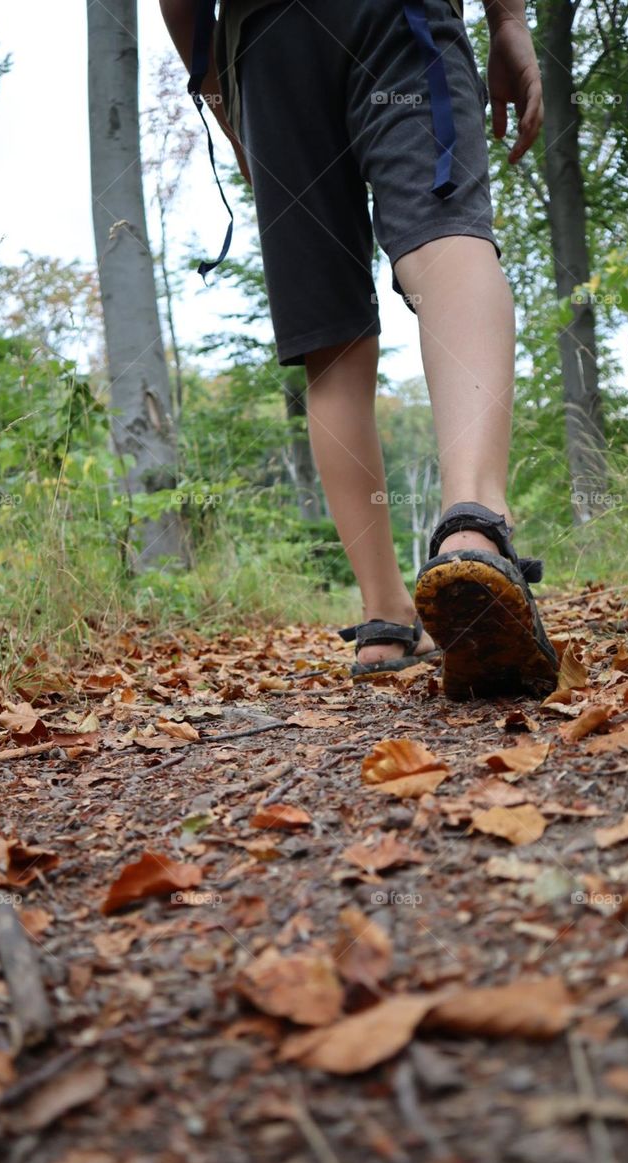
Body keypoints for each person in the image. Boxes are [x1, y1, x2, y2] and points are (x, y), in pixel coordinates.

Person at [160, 0, 559, 699]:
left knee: (333, 341)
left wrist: (228, 105)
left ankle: (384, 619)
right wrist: (507, 24)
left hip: (264, 43)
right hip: (394, 19)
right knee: (444, 244)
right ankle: (472, 528)